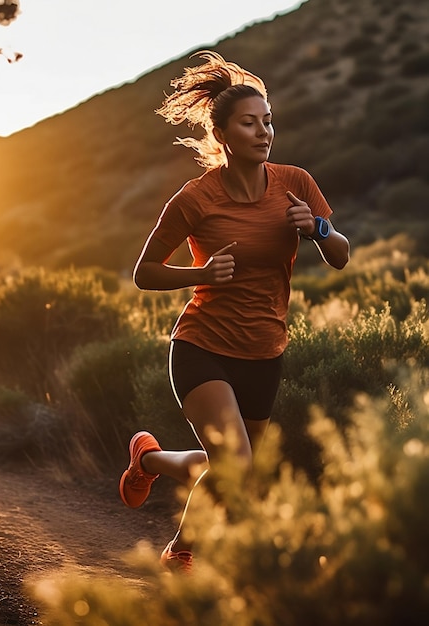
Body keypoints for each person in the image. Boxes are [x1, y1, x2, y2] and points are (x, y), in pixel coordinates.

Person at [119, 51, 350, 573]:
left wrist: (315, 228)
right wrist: (200, 275)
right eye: (250, 123)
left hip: (265, 351)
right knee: (236, 462)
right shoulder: (195, 199)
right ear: (222, 134)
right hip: (201, 346)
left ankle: (149, 459)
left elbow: (340, 255)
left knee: (235, 470)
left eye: (268, 121)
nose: (264, 132)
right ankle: (182, 552)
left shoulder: (295, 182)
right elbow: (145, 271)